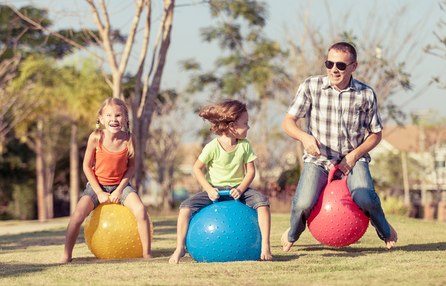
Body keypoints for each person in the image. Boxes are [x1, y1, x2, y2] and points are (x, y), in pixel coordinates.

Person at [280, 42, 398, 252]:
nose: (334, 69)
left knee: (365, 198)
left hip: (353, 160)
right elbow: (288, 122)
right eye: (330, 63)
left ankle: (385, 231)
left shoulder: (366, 93)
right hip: (319, 160)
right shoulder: (311, 86)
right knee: (303, 203)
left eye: (341, 65)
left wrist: (354, 156)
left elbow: (376, 134)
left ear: (354, 66)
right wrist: (304, 138)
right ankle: (292, 234)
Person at [169, 99, 272, 264]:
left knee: (263, 203)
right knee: (184, 208)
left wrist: (240, 188)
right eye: (245, 123)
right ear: (231, 126)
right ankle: (180, 247)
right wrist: (209, 189)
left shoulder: (245, 145)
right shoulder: (212, 147)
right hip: (214, 190)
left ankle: (265, 247)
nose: (249, 127)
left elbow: (251, 172)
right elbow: (196, 169)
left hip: (239, 190)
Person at [59, 98, 152, 263]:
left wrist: (119, 190)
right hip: (97, 186)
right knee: (78, 215)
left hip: (121, 186)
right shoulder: (95, 138)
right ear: (101, 119)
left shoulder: (131, 139)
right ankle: (66, 255)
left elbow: (131, 167)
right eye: (108, 115)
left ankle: (146, 253)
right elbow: (87, 167)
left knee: (140, 211)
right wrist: (99, 192)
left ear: (125, 119)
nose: (113, 119)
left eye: (118, 115)